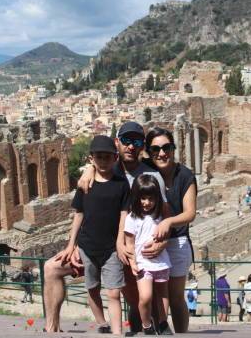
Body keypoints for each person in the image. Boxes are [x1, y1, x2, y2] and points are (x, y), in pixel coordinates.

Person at [43, 121, 167, 334]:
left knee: (136, 302)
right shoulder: (103, 167)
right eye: (126, 141)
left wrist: (160, 242)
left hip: (131, 251)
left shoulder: (151, 175)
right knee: (51, 268)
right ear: (117, 144)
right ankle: (52, 327)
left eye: (136, 141)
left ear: (142, 146)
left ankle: (145, 328)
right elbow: (81, 210)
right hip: (95, 246)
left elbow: (161, 217)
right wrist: (71, 246)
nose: (131, 146)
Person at [60, 135, 129, 335]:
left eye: (108, 157)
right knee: (92, 288)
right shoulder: (85, 185)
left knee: (114, 293)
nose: (104, 161)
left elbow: (124, 214)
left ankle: (117, 333)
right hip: (87, 246)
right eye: (99, 157)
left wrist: (119, 241)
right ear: (92, 159)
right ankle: (101, 322)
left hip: (111, 249)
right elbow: (78, 214)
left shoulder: (121, 184)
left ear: (115, 158)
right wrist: (71, 245)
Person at [145, 127, 197, 333]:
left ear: (174, 148)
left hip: (177, 241)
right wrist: (89, 170)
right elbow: (116, 166)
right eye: (155, 149)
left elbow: (190, 213)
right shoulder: (145, 169)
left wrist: (168, 222)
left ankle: (181, 334)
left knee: (175, 297)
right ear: (149, 152)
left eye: (166, 147)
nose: (161, 153)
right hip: (151, 241)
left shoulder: (185, 175)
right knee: (152, 296)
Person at [124, 174, 173, 335]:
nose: (146, 203)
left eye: (150, 199)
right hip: (142, 263)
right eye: (143, 198)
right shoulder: (132, 218)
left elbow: (166, 237)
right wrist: (132, 262)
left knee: (162, 294)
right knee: (145, 297)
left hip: (160, 261)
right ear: (136, 198)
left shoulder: (160, 217)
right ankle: (146, 325)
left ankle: (163, 322)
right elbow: (129, 243)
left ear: (156, 198)